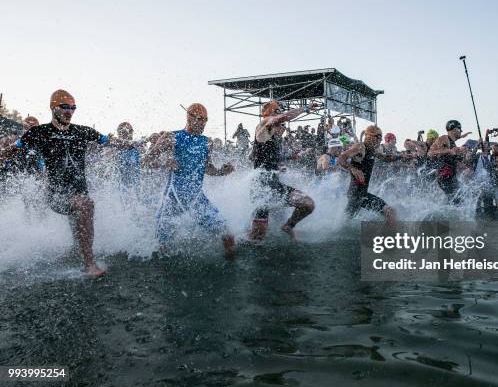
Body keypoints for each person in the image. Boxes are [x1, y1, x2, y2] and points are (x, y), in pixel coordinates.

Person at [0, 89, 132, 277]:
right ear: (53, 108)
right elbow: (11, 150)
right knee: (84, 205)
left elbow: (108, 141)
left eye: (73, 108)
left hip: (79, 192)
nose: (69, 111)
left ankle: (75, 249)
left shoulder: (83, 131)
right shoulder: (40, 132)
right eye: (65, 107)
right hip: (56, 195)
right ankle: (89, 264)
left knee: (81, 206)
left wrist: (132, 144)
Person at [143, 103, 236, 256]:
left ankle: (233, 272)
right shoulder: (171, 137)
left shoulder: (207, 142)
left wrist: (222, 171)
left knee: (228, 236)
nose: (203, 123)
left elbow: (207, 168)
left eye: (205, 120)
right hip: (172, 200)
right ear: (189, 117)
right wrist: (164, 163)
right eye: (199, 119)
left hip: (196, 199)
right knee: (162, 249)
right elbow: (146, 160)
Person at [249, 101, 317, 241]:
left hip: (275, 186)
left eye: (279, 111)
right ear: (266, 113)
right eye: (276, 111)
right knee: (257, 238)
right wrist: (305, 108)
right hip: (261, 189)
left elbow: (258, 157)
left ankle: (288, 226)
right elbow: (284, 117)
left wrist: (282, 163)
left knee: (308, 204)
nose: (279, 114)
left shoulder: (272, 138)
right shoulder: (263, 125)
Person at [338, 125, 397, 224]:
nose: (380, 140)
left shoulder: (373, 150)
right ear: (369, 136)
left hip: (362, 194)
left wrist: (403, 156)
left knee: (345, 222)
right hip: (356, 195)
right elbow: (341, 158)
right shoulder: (360, 147)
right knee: (390, 212)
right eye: (378, 137)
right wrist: (353, 169)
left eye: (381, 138)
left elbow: (386, 158)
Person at [428, 120, 469, 202]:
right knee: (456, 200)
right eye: (460, 128)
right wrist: (449, 151)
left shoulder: (452, 142)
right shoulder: (443, 138)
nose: (461, 131)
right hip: (444, 176)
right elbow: (430, 153)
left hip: (451, 176)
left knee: (460, 198)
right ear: (453, 130)